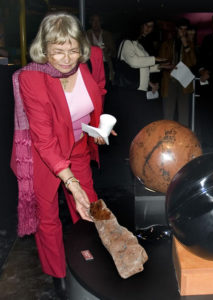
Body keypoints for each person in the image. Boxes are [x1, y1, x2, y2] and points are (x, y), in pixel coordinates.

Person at [10, 12, 116, 300]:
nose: (67, 58)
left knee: (90, 203)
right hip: (44, 154)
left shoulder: (92, 56)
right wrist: (70, 181)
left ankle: (98, 255)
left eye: (72, 49)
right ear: (43, 49)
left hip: (79, 143)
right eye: (57, 51)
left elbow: (100, 89)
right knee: (48, 217)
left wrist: (97, 124)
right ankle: (57, 275)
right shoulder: (32, 77)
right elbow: (43, 139)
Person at [114, 19, 167, 157]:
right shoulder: (127, 43)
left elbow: (144, 66)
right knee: (131, 125)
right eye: (146, 25)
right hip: (129, 91)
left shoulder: (137, 44)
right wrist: (155, 59)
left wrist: (161, 67)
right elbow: (133, 62)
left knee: (137, 124)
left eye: (151, 27)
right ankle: (129, 155)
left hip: (138, 91)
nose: (149, 29)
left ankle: (134, 154)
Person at [159, 18, 197, 127]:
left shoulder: (189, 44)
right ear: (176, 29)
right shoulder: (167, 43)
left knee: (184, 116)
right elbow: (161, 61)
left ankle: (183, 141)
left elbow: (193, 62)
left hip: (184, 81)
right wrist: (169, 67)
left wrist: (185, 44)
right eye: (181, 29)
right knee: (168, 114)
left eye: (185, 30)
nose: (183, 32)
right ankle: (167, 141)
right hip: (169, 80)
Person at [87, 13, 116, 86]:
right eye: (94, 21)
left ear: (101, 22)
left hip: (105, 64)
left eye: (98, 21)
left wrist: (108, 50)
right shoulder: (87, 34)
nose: (96, 23)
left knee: (106, 86)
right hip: (91, 64)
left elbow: (114, 51)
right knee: (93, 86)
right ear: (91, 22)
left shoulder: (107, 34)